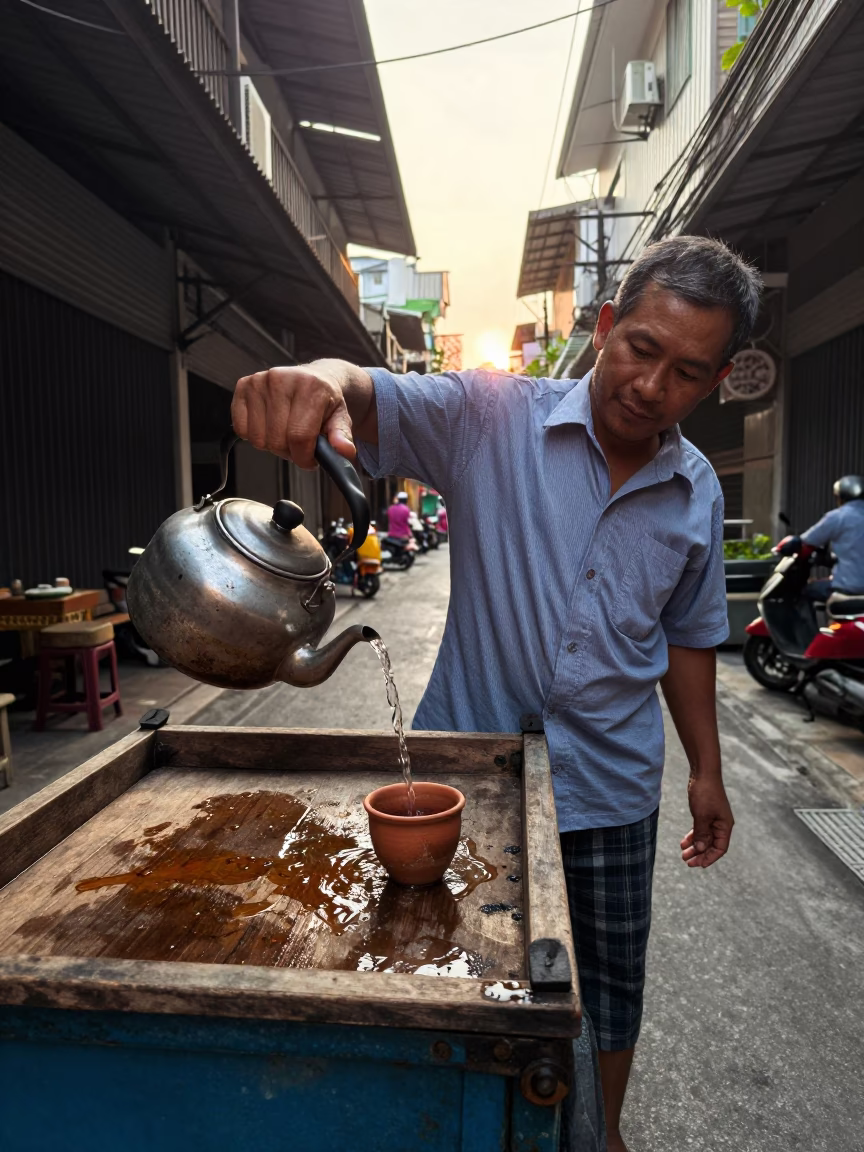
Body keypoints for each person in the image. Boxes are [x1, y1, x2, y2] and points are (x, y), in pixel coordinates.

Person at [232, 235, 761, 1152]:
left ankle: (600, 1135)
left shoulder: (697, 493)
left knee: (605, 988)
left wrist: (708, 771)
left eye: (685, 371)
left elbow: (687, 639)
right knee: (451, 972)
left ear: (711, 383)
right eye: (641, 348)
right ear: (604, 328)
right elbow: (362, 385)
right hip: (467, 776)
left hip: (611, 788)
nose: (651, 385)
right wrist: (315, 375)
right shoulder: (489, 417)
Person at [801, 476, 864, 603]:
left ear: (839, 497)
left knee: (803, 591)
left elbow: (806, 543)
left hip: (849, 588)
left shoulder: (837, 517)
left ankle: (807, 624)